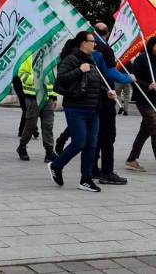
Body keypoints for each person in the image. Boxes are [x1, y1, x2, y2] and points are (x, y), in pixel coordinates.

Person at [48, 33, 114, 192]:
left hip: (93, 109)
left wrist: (107, 92)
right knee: (79, 143)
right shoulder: (71, 59)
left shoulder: (92, 60)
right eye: (92, 42)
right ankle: (56, 166)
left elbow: (94, 82)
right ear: (83, 43)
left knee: (91, 146)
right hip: (76, 108)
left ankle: (86, 179)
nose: (95, 45)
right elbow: (61, 80)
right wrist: (79, 70)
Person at [125, 38, 156, 177]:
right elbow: (134, 79)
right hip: (144, 100)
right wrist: (147, 85)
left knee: (145, 131)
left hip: (155, 101)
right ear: (152, 46)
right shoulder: (142, 59)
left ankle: (131, 160)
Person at [91, 22, 133, 186]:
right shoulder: (105, 50)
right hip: (106, 97)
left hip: (93, 97)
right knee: (108, 136)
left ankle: (93, 168)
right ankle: (107, 172)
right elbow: (110, 72)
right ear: (107, 34)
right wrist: (128, 78)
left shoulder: (88, 49)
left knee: (97, 135)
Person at [16, 54, 57, 163]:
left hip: (47, 98)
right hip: (32, 97)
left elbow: (53, 79)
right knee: (31, 124)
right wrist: (36, 78)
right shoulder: (28, 57)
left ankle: (49, 151)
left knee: (48, 125)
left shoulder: (50, 57)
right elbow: (21, 74)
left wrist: (54, 97)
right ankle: (22, 147)